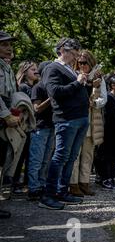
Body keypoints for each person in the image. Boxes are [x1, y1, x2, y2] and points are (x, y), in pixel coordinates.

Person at [39, 38, 90, 210]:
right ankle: (48, 195)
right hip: (66, 119)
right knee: (60, 157)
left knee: (71, 157)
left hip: (79, 118)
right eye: (73, 53)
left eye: (77, 54)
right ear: (62, 50)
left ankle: (62, 191)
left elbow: (75, 90)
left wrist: (84, 82)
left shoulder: (69, 68)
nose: (75, 57)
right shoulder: (52, 68)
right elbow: (55, 93)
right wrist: (77, 82)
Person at [69, 50, 107, 197]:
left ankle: (84, 183)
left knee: (88, 154)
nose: (82, 65)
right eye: (80, 63)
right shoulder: (74, 75)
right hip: (78, 117)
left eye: (85, 62)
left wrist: (94, 103)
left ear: (91, 62)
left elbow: (104, 98)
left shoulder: (99, 77)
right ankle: (73, 184)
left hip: (92, 119)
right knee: (75, 155)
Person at [27, 61, 54, 201]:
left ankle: (42, 185)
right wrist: (51, 98)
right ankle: (33, 188)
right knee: (36, 160)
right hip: (40, 127)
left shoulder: (52, 86)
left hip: (52, 127)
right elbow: (36, 109)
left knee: (46, 160)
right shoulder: (38, 87)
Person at [12, 61, 39, 193]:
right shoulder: (23, 87)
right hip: (23, 126)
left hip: (32, 126)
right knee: (20, 156)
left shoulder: (35, 86)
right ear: (24, 71)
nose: (36, 71)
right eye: (32, 69)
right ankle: (14, 183)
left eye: (36, 69)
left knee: (30, 156)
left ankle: (26, 183)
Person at [0, 31, 19, 219]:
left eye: (9, 44)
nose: (9, 48)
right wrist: (6, 115)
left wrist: (14, 112)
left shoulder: (6, 67)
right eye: (4, 44)